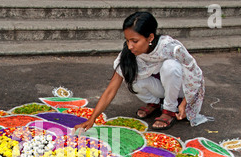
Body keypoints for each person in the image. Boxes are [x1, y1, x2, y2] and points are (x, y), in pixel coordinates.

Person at [73, 11, 212, 133]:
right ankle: (156, 103)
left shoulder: (170, 47)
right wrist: (92, 119)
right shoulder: (129, 53)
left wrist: (185, 103)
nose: (130, 46)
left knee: (170, 67)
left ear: (150, 38)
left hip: (182, 90)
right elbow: (111, 89)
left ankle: (169, 110)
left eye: (134, 41)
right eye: (127, 40)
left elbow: (195, 74)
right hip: (162, 89)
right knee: (131, 79)